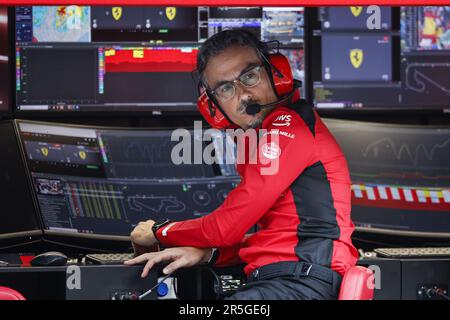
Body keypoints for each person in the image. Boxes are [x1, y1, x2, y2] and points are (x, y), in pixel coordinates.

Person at [125, 29, 358, 300]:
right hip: (286, 285)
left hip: (298, 287)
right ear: (213, 107)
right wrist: (208, 254)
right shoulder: (275, 135)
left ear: (277, 74)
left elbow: (226, 227)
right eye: (225, 88)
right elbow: (276, 241)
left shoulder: (288, 128)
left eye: (249, 75)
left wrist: (159, 231)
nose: (243, 94)